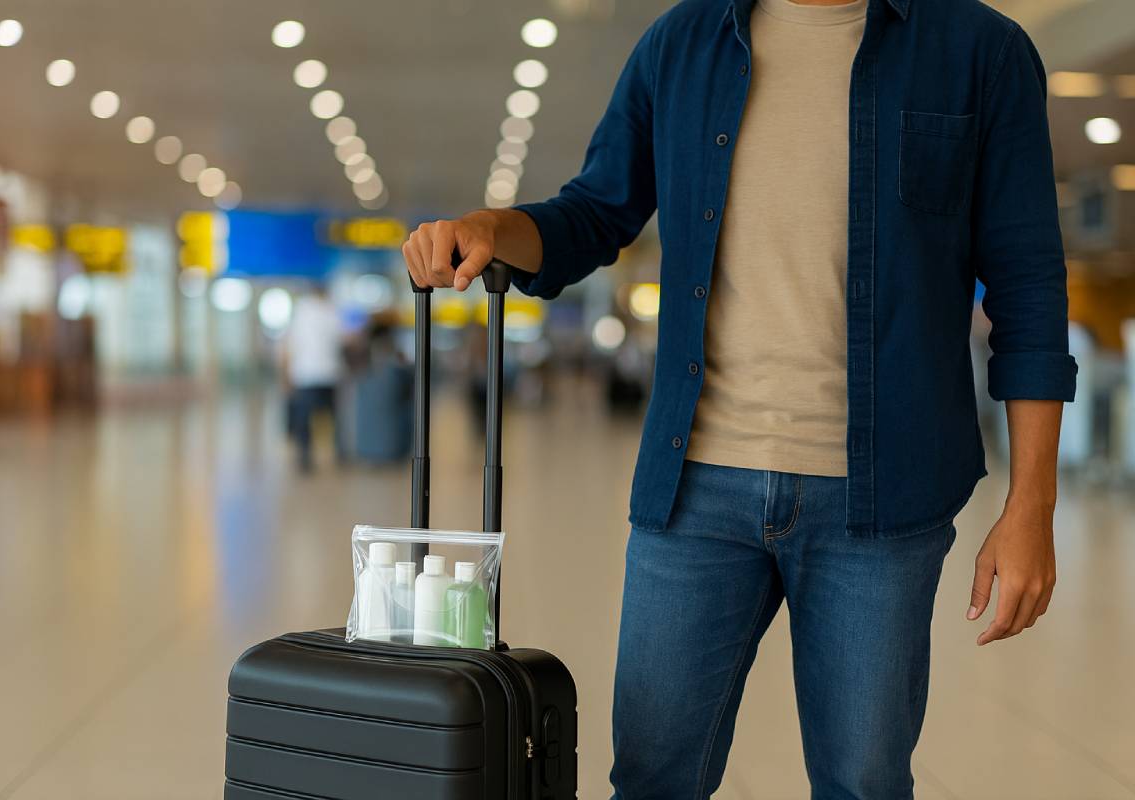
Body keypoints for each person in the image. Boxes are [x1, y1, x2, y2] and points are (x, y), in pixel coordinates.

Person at [402, 0, 1076, 796]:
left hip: (885, 499)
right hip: (695, 490)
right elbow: (593, 212)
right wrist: (488, 226)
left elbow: (1029, 287)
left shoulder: (979, 50)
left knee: (863, 783)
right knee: (652, 778)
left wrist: (1032, 504)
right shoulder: (682, 44)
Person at [283, 283, 343, 473]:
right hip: (329, 372)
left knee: (304, 419)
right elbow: (341, 339)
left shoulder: (300, 313)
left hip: (305, 374)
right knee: (333, 416)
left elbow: (290, 345)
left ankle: (305, 457)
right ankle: (339, 453)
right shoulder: (332, 311)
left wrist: (286, 375)